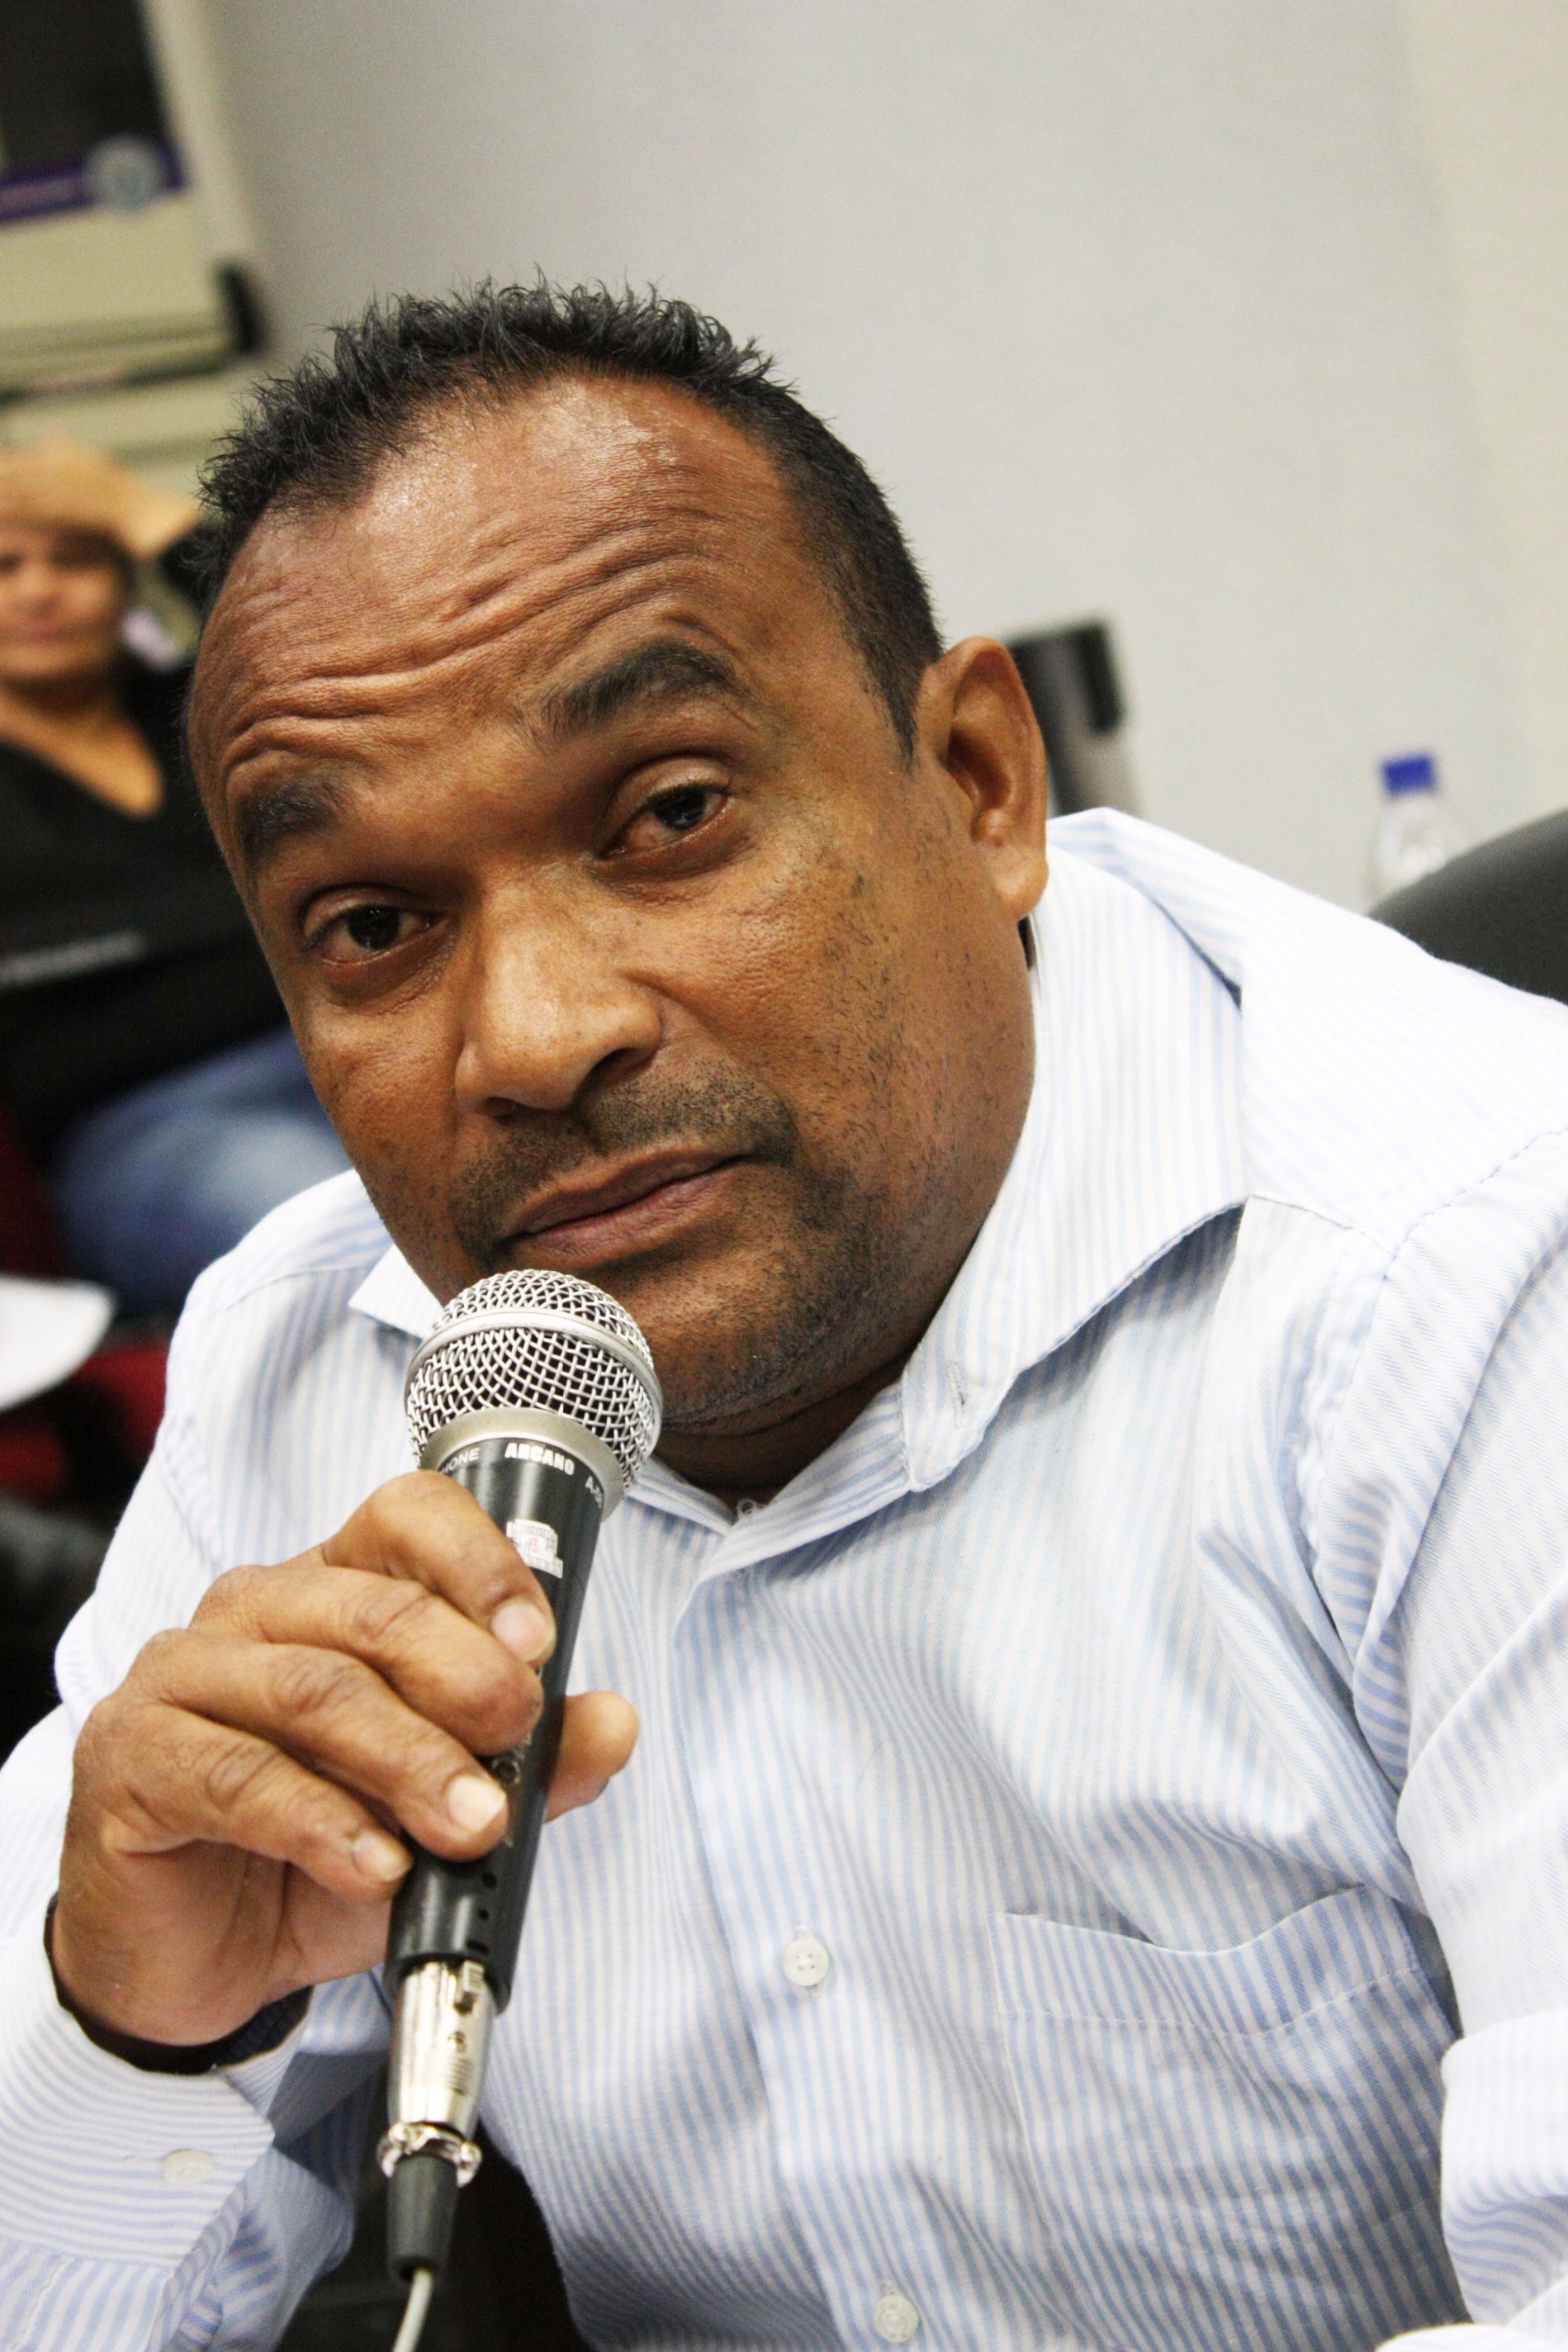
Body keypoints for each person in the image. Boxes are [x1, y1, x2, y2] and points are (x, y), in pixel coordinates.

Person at [0, 284, 1565, 2352]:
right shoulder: (312, 1366)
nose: (533, 1035)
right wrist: (124, 2022)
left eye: (669, 814)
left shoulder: (1470, 1257)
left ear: (978, 780)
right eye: (373, 924)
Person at [0, 440, 348, 1315]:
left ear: (127, 583)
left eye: (76, 560)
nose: (39, 591)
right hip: (148, 1131)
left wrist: (139, 511)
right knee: (344, 1236)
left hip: (354, 1052)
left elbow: (317, 633)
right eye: (4, 567)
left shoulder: (203, 712)